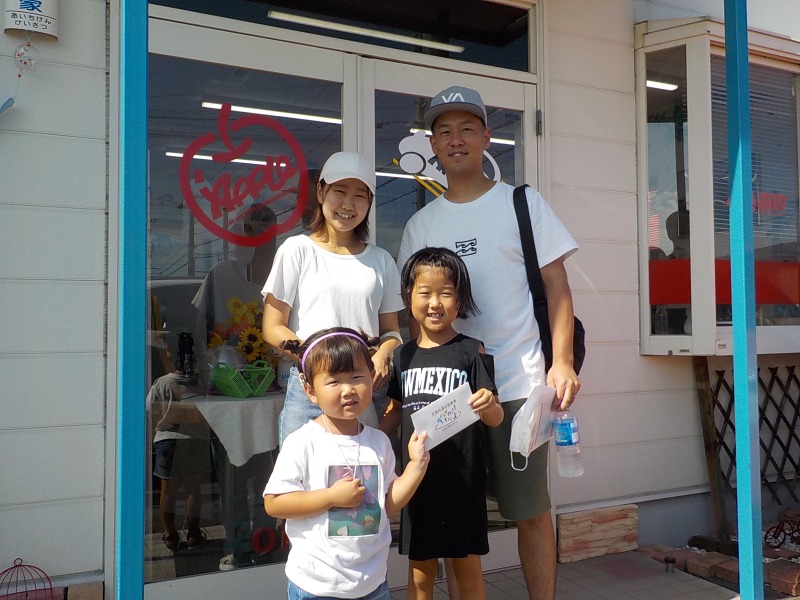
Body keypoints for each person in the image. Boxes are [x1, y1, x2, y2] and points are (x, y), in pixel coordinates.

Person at [397, 86, 581, 600]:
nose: (456, 139)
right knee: (454, 516)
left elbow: (558, 286)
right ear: (433, 145)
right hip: (448, 396)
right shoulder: (420, 224)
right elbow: (415, 315)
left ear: (487, 138)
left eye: (467, 129)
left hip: (520, 385)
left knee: (530, 512)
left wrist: (562, 362)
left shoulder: (522, 203)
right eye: (444, 131)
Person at [263, 328, 430, 600]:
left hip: (373, 583)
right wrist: (331, 497)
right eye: (334, 381)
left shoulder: (378, 441)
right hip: (317, 585)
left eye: (356, 377)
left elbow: (387, 505)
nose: (348, 389)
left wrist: (416, 466)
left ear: (371, 377)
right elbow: (274, 503)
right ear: (310, 391)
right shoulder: (303, 442)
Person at [380, 247, 503, 600]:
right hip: (417, 481)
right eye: (425, 293)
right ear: (408, 297)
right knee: (421, 575)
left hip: (463, 481)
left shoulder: (473, 350)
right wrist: (363, 438)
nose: (435, 303)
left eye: (446, 293)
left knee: (467, 572)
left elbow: (495, 419)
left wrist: (489, 404)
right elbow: (395, 411)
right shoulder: (402, 355)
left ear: (459, 299)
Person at [262, 151, 405, 445]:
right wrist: (319, 362)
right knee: (302, 471)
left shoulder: (381, 260)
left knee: (366, 470)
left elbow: (392, 332)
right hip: (310, 389)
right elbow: (272, 328)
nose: (348, 204)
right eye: (339, 191)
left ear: (369, 202)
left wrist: (384, 353)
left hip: (365, 390)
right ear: (320, 192)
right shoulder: (296, 250)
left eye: (360, 196)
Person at [147, 371, 213, 551]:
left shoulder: (161, 382)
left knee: (168, 490)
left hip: (166, 439)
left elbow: (150, 409)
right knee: (193, 489)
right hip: (194, 438)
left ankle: (170, 535)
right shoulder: (200, 381)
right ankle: (194, 534)